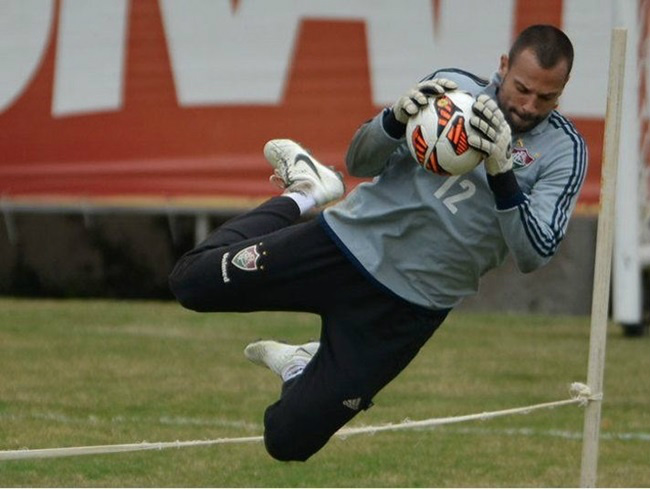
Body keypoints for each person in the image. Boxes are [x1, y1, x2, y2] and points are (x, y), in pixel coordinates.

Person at [169, 24, 587, 462]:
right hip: (341, 246)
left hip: (407, 308)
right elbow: (359, 161)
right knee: (191, 283)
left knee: (287, 440)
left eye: (546, 97)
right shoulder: (450, 90)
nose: (527, 106)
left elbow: (534, 253)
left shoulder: (564, 150)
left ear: (562, 90)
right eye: (522, 89)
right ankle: (306, 191)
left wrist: (502, 173)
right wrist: (392, 120)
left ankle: (300, 366)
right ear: (503, 66)